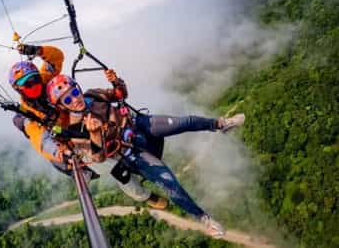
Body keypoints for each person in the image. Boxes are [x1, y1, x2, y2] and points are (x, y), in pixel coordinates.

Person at [45, 71, 245, 238]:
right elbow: (98, 157)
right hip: (129, 151)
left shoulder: (92, 95)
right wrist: (95, 134)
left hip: (138, 125)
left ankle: (221, 124)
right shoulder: (74, 130)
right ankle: (203, 218)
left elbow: (120, 95)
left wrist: (116, 82)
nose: (75, 99)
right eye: (68, 99)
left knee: (184, 122)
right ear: (62, 105)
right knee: (169, 184)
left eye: (74, 92)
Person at [5, 43, 169, 209]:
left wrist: (37, 51)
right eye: (28, 85)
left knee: (126, 135)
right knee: (117, 170)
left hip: (85, 118)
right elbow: (41, 140)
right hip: (74, 141)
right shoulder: (28, 115)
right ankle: (144, 196)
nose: (35, 85)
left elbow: (56, 57)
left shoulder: (46, 78)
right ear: (20, 89)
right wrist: (61, 153)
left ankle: (146, 161)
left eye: (35, 79)